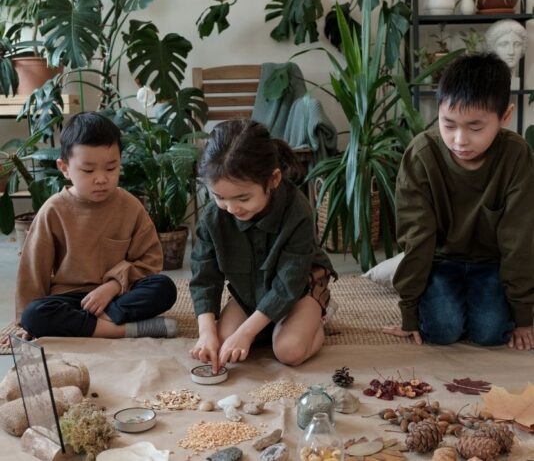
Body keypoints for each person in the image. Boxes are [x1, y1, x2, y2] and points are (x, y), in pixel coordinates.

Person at [384, 53, 534, 351]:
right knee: (442, 330)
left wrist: (523, 316)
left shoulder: (516, 155)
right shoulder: (422, 155)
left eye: (475, 127)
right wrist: (409, 312)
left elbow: (519, 241)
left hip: (492, 263)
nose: (460, 140)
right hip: (440, 260)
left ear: (505, 116)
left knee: (491, 333)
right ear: (438, 111)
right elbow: (417, 238)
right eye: (448, 124)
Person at [12, 112, 178, 341]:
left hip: (118, 296)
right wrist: (24, 322)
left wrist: (111, 286)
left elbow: (150, 261)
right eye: (88, 170)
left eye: (111, 168)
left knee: (164, 288)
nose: (101, 179)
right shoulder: (54, 210)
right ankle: (120, 330)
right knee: (34, 315)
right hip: (71, 299)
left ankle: (91, 325)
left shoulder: (130, 206)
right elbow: (33, 268)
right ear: (64, 168)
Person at [189, 119, 336, 371]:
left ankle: (318, 315)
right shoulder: (213, 218)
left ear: (274, 179)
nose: (232, 208)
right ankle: (268, 325)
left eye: (243, 198)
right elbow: (204, 277)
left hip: (299, 289)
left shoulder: (297, 211)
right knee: (222, 343)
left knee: (288, 350)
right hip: (249, 290)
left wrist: (247, 332)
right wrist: (206, 332)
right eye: (219, 197)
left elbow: (289, 283)